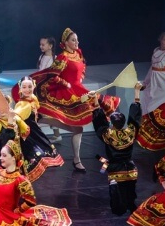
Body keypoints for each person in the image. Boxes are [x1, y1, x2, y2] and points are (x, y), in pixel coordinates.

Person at [24, 28, 119, 172]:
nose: (77, 42)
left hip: (78, 89)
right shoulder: (63, 57)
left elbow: (82, 67)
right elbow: (52, 76)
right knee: (78, 127)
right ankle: (76, 158)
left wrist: (80, 78)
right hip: (66, 92)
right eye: (73, 40)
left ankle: (77, 159)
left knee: (79, 127)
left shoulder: (78, 53)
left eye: (77, 40)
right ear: (66, 42)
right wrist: (66, 84)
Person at [93, 83, 146, 226]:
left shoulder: (108, 135)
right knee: (131, 201)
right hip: (130, 171)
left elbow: (99, 123)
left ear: (112, 123)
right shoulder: (130, 132)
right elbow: (135, 117)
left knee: (117, 201)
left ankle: (120, 207)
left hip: (116, 172)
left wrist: (94, 101)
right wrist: (136, 92)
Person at [13, 77, 64, 181]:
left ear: (34, 86)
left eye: (29, 86)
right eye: (24, 87)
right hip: (27, 137)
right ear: (20, 89)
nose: (27, 89)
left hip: (34, 133)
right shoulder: (22, 104)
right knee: (30, 161)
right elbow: (15, 117)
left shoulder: (32, 98)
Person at [140, 31, 165, 115]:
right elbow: (152, 69)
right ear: (160, 40)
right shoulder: (156, 51)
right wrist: (146, 82)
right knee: (148, 100)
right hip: (155, 82)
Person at [37, 36, 62, 143]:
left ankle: (56, 135)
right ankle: (43, 136)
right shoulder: (41, 57)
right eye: (40, 44)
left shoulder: (55, 59)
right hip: (40, 88)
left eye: (43, 44)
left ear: (50, 46)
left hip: (49, 90)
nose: (41, 46)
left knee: (50, 113)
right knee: (42, 112)